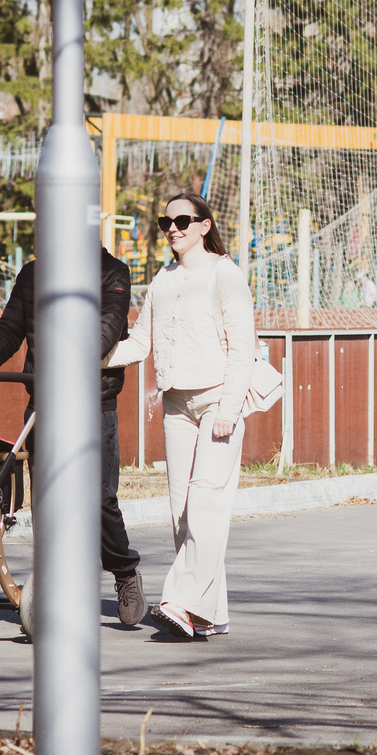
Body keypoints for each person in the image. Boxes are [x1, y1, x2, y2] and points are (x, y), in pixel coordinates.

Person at [108, 195, 256, 640]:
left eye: (183, 220)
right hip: (177, 406)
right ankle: (210, 613)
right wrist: (92, 355)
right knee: (182, 513)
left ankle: (179, 601)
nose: (173, 227)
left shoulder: (225, 275)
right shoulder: (163, 280)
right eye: (165, 221)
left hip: (216, 404)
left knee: (206, 501)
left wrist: (229, 409)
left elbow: (243, 348)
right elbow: (138, 344)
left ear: (205, 225)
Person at [0, 243, 143, 626]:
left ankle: (124, 572)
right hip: (46, 401)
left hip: (92, 402)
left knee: (100, 500)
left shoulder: (112, 272)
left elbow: (107, 328)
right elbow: (10, 327)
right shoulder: (33, 274)